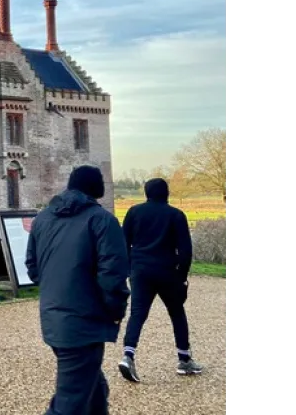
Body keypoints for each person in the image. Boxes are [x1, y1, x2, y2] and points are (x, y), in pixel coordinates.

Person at [26, 165, 130, 415]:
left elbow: (32, 267)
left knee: (93, 388)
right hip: (83, 323)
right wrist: (116, 310)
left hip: (53, 319)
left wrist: (58, 287)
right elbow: (112, 275)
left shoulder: (42, 219)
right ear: (97, 188)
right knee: (69, 404)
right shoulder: (103, 220)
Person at [118, 178, 204, 382]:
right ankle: (184, 359)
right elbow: (185, 251)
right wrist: (182, 277)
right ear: (167, 193)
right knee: (176, 313)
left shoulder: (133, 212)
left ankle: (128, 355)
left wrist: (131, 267)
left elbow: (123, 243)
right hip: (167, 271)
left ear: (146, 193)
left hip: (140, 270)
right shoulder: (176, 215)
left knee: (137, 314)